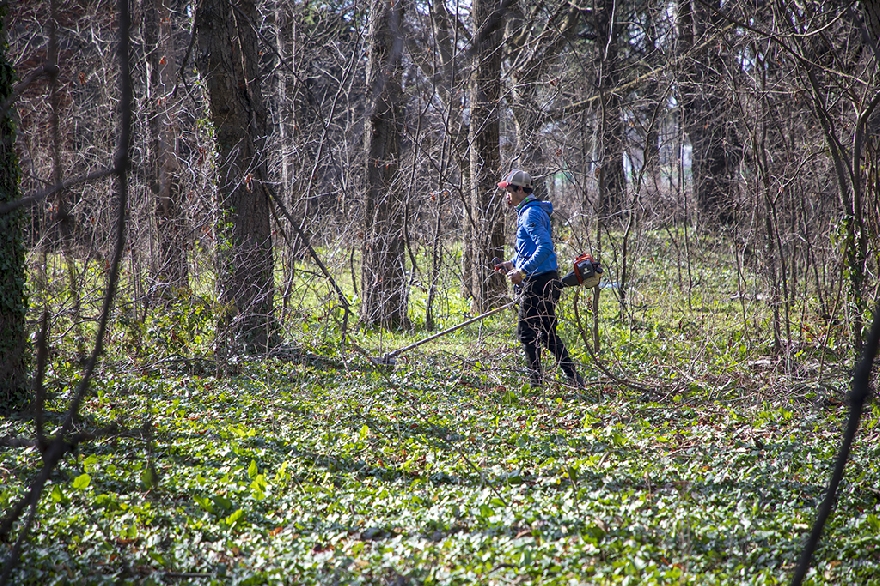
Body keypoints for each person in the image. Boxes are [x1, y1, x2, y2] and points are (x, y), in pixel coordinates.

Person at [496, 169, 585, 388]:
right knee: (546, 333)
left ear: (519, 190)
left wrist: (522, 271)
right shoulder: (529, 211)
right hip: (544, 279)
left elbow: (545, 248)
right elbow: (530, 248)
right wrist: (512, 263)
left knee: (527, 333)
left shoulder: (531, 214)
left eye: (508, 190)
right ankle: (574, 378)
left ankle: (536, 384)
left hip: (539, 282)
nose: (506, 194)